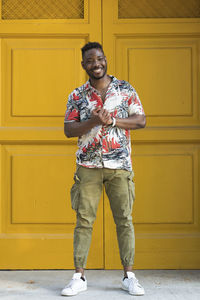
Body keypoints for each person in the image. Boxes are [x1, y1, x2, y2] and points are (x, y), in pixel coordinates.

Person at [61, 42, 146, 297]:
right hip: (87, 166)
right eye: (89, 60)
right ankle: (79, 277)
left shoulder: (125, 89)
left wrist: (113, 120)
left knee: (124, 220)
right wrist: (93, 121)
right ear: (83, 65)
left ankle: (129, 277)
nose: (95, 64)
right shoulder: (77, 95)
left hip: (119, 165)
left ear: (105, 59)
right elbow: (68, 129)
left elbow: (140, 120)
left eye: (99, 59)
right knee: (84, 221)